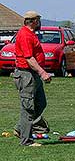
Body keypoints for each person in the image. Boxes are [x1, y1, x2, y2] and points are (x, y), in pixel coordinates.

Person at [13, 11, 52, 147]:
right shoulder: (24, 35)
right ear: (34, 21)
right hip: (26, 75)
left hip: (32, 75)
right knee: (28, 108)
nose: (39, 22)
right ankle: (26, 140)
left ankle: (20, 128)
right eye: (38, 20)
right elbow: (29, 58)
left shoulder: (31, 34)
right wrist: (43, 73)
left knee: (40, 103)